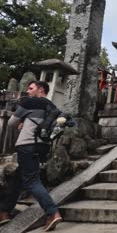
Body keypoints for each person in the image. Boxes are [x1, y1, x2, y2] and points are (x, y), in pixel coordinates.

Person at [0, 81, 65, 231]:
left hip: (26, 144)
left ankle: (52, 212)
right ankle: (4, 211)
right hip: (41, 147)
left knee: (31, 181)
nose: (28, 91)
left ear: (40, 89)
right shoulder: (52, 107)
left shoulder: (30, 102)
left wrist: (21, 121)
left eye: (31, 88)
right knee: (18, 178)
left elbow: (11, 123)